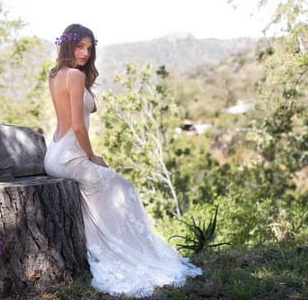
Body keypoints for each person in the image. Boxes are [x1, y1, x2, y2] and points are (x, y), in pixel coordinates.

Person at [44, 23, 202, 297]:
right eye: (80, 46)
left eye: (90, 48)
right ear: (68, 45)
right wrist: (92, 156)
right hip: (71, 156)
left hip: (54, 154)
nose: (85, 53)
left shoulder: (55, 74)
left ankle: (114, 245)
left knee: (111, 190)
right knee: (123, 188)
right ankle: (125, 251)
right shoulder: (74, 76)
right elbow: (78, 128)